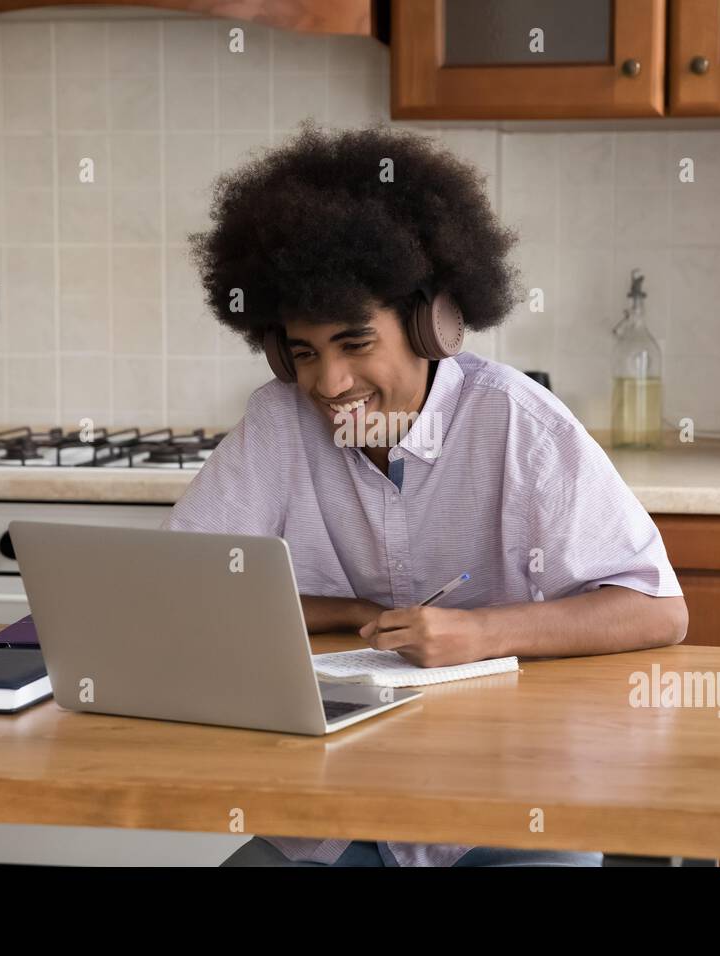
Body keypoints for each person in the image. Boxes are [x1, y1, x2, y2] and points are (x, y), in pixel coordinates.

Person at [162, 123, 688, 867]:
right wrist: (357, 613)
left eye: (354, 344)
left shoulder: (516, 421)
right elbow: (187, 589)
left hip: (510, 807)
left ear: (431, 323)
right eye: (303, 353)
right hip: (331, 811)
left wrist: (483, 635)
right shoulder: (279, 418)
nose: (328, 384)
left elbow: (658, 610)